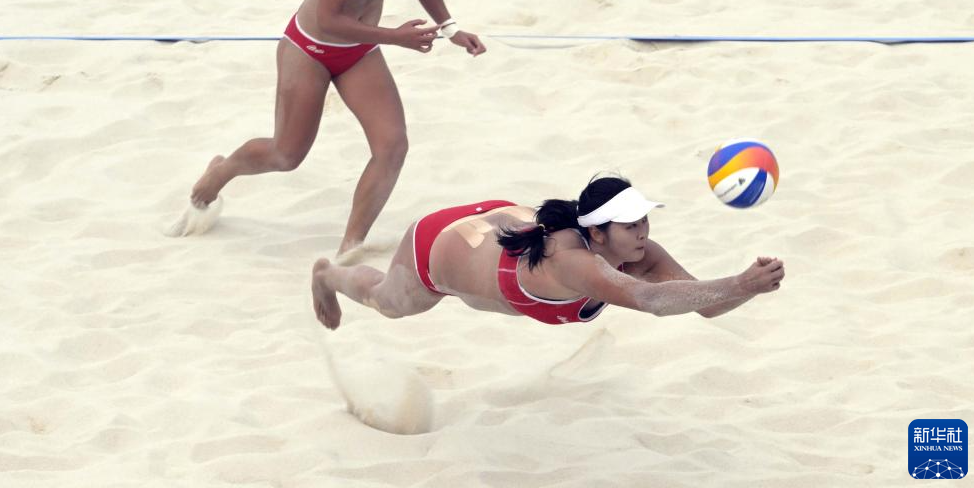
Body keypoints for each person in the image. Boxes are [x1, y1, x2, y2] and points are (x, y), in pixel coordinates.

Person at [181, 0, 486, 258]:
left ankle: (350, 246)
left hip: (359, 50)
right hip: (310, 47)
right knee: (286, 155)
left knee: (393, 146)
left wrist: (451, 28)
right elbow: (327, 18)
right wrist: (395, 37)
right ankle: (221, 171)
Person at [310, 175, 785, 329]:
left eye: (644, 220)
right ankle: (327, 275)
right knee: (392, 304)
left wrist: (749, 288)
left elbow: (706, 304)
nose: (642, 233)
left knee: (479, 293)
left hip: (499, 230)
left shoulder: (640, 253)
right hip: (442, 242)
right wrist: (741, 281)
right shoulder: (574, 262)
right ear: (598, 233)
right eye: (630, 225)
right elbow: (653, 301)